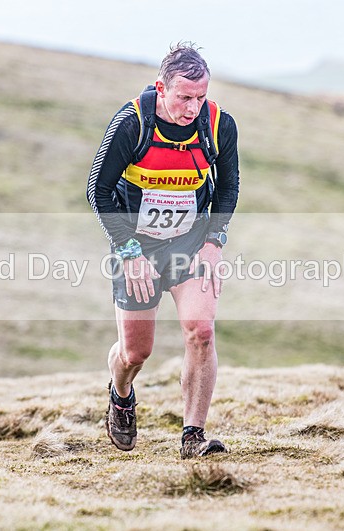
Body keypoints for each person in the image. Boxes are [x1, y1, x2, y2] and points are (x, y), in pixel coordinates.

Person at [86, 42, 240, 458]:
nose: (192, 108)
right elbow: (97, 191)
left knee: (202, 331)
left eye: (200, 97)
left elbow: (228, 187)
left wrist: (214, 241)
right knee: (136, 352)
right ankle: (121, 393)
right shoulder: (132, 123)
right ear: (162, 87)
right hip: (137, 246)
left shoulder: (218, 125)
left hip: (191, 243)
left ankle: (193, 436)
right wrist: (128, 250)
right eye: (184, 97)